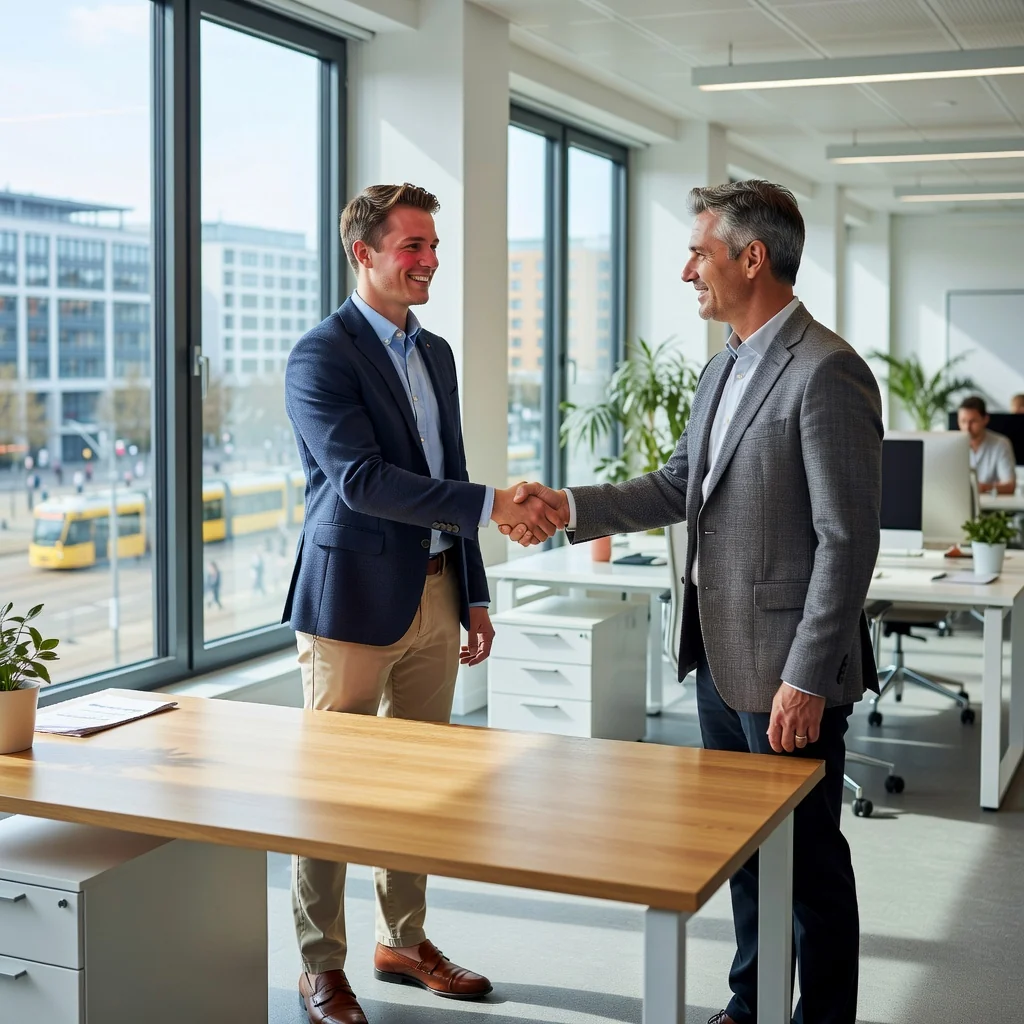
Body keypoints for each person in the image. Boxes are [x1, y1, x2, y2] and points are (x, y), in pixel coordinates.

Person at [506, 180, 882, 1024]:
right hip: (716, 657)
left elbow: (847, 542)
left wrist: (806, 678)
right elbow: (683, 485)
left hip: (788, 672)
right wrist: (570, 506)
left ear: (753, 258)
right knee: (748, 856)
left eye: (699, 252)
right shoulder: (724, 367)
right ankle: (751, 1006)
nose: (687, 272)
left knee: (810, 862)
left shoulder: (827, 371)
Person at [282, 182, 558, 1024]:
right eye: (412, 246)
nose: (430, 260)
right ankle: (319, 963)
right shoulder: (320, 355)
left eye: (433, 245)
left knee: (419, 787)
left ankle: (402, 939)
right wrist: (488, 506)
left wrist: (473, 587)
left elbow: (446, 468)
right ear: (362, 253)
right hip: (353, 604)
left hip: (438, 592)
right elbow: (361, 482)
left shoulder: (432, 352)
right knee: (334, 791)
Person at [957, 395, 1016, 495]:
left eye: (973, 421)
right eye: (963, 421)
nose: (967, 427)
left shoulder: (1000, 444)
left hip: (992, 506)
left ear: (985, 419)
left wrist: (984, 487)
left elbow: (1010, 486)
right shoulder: (953, 445)